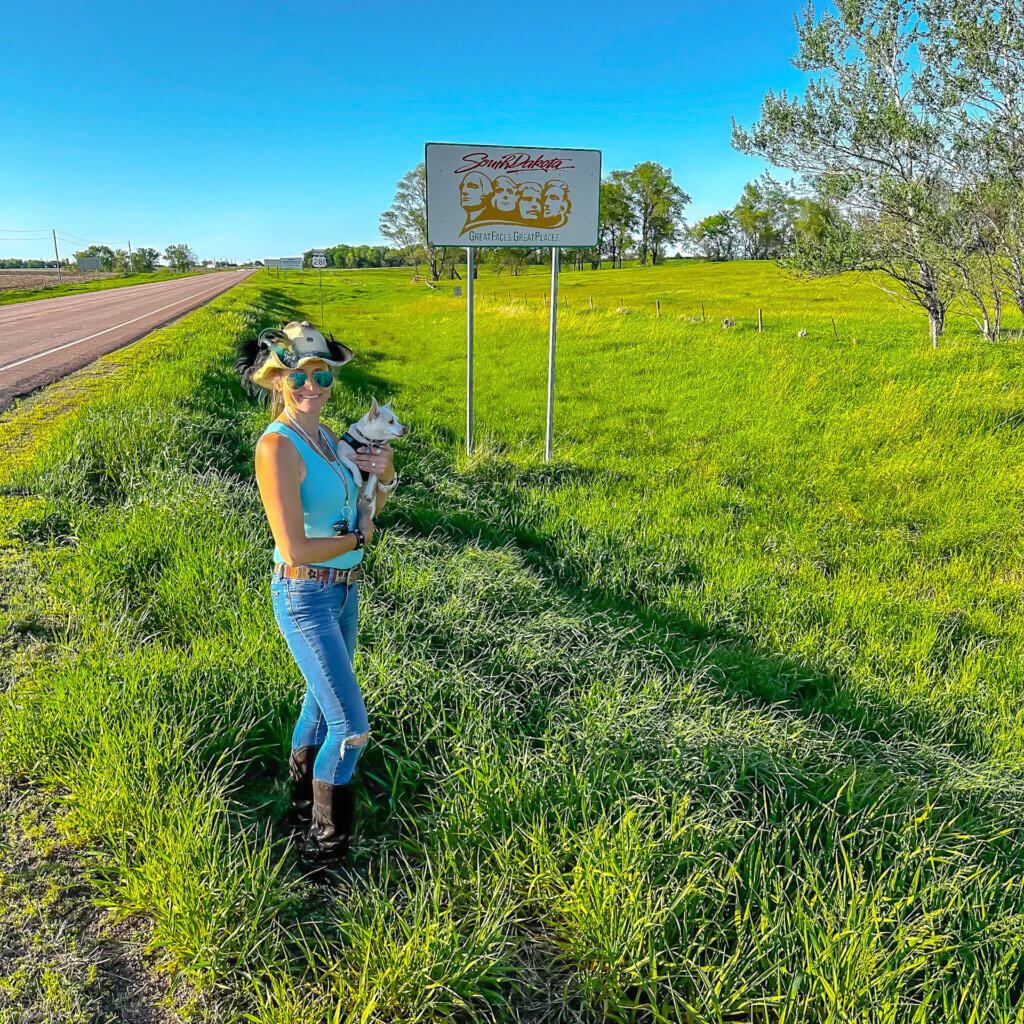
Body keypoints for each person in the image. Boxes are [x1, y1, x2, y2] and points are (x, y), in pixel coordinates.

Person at [236, 321, 398, 880]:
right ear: (278, 380)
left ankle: (302, 808)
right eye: (298, 376)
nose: (312, 385)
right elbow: (295, 543)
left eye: (322, 375)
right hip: (304, 593)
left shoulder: (329, 437)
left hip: (343, 593)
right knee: (350, 726)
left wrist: (387, 477)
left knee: (317, 704)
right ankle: (323, 855)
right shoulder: (277, 444)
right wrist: (357, 540)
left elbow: (362, 501)